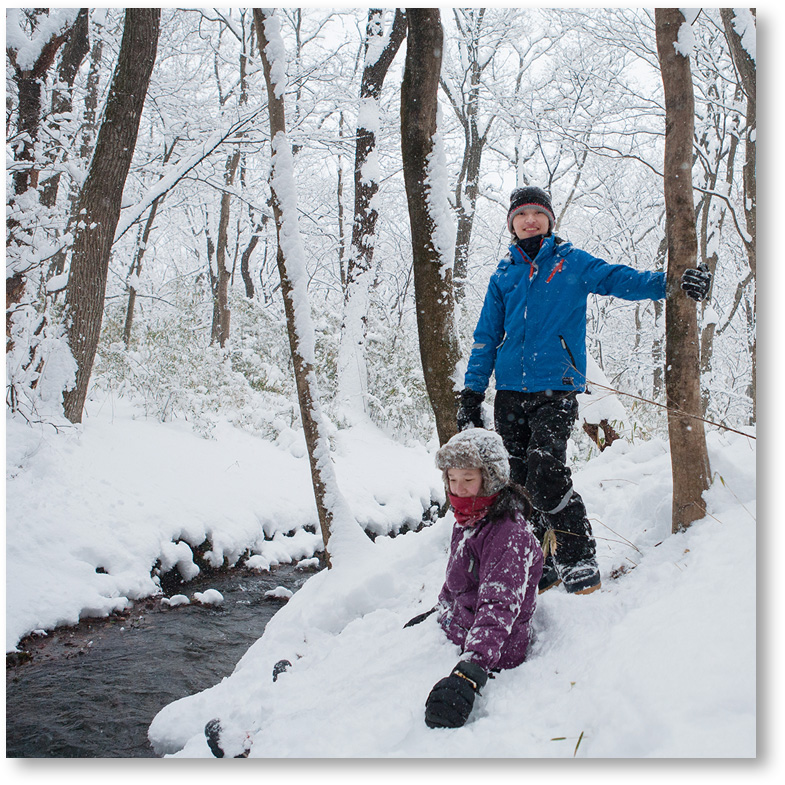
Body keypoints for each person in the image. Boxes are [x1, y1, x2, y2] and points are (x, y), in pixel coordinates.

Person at [457, 186, 712, 596]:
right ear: (512, 224)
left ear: (549, 220)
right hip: (509, 392)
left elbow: (619, 280)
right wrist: (470, 394)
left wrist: (674, 283)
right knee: (519, 480)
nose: (529, 221)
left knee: (545, 467)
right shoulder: (503, 275)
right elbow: (486, 336)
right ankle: (540, 561)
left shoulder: (569, 262)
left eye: (537, 214)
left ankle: (578, 558)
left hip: (556, 388)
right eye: (521, 215)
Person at [419, 428, 543, 729]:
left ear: (490, 479)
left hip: (492, 655)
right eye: (452, 479)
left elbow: (498, 607)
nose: (458, 489)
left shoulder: (508, 535)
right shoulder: (471, 517)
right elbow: (457, 578)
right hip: (458, 631)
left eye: (468, 479)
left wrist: (469, 672)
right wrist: (440, 609)